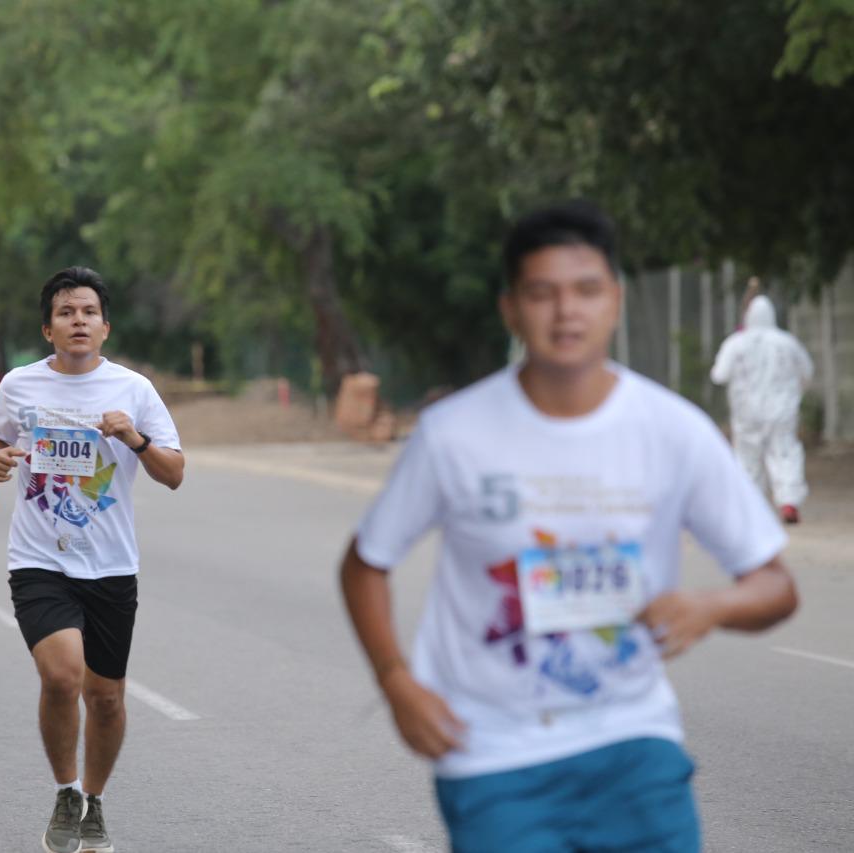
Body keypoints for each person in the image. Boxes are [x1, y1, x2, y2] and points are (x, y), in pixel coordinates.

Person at [338, 202, 799, 853]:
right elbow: (365, 562)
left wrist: (714, 604)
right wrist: (395, 680)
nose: (566, 312)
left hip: (633, 743)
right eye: (541, 293)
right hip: (493, 753)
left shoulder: (673, 431)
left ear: (615, 299)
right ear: (511, 309)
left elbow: (776, 584)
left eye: (585, 290)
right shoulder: (454, 435)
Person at [0, 266, 184, 853]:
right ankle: (65, 788)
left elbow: (174, 474)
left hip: (111, 563)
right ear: (48, 328)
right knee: (62, 676)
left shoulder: (134, 390)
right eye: (67, 312)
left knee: (107, 696)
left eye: (88, 312)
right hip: (39, 555)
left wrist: (135, 440)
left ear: (105, 327)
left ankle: (93, 801)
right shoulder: (19, 385)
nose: (78, 321)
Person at [711, 294, 814, 525]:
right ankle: (788, 502)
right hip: (782, 410)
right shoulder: (787, 342)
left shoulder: (735, 343)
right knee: (785, 453)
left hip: (746, 412)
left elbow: (719, 375)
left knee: (748, 459)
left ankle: (751, 506)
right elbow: (807, 371)